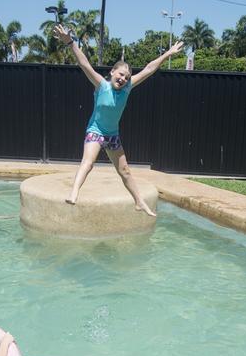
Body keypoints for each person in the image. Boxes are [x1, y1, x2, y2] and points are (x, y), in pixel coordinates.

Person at [52, 23, 183, 215]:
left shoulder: (128, 88)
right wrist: (70, 42)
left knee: (125, 171)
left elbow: (148, 69)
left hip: (112, 135)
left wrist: (168, 54)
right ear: (113, 72)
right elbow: (84, 64)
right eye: (121, 74)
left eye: (126, 77)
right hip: (96, 131)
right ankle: (74, 193)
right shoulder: (101, 85)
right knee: (88, 163)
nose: (123, 79)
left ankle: (139, 202)